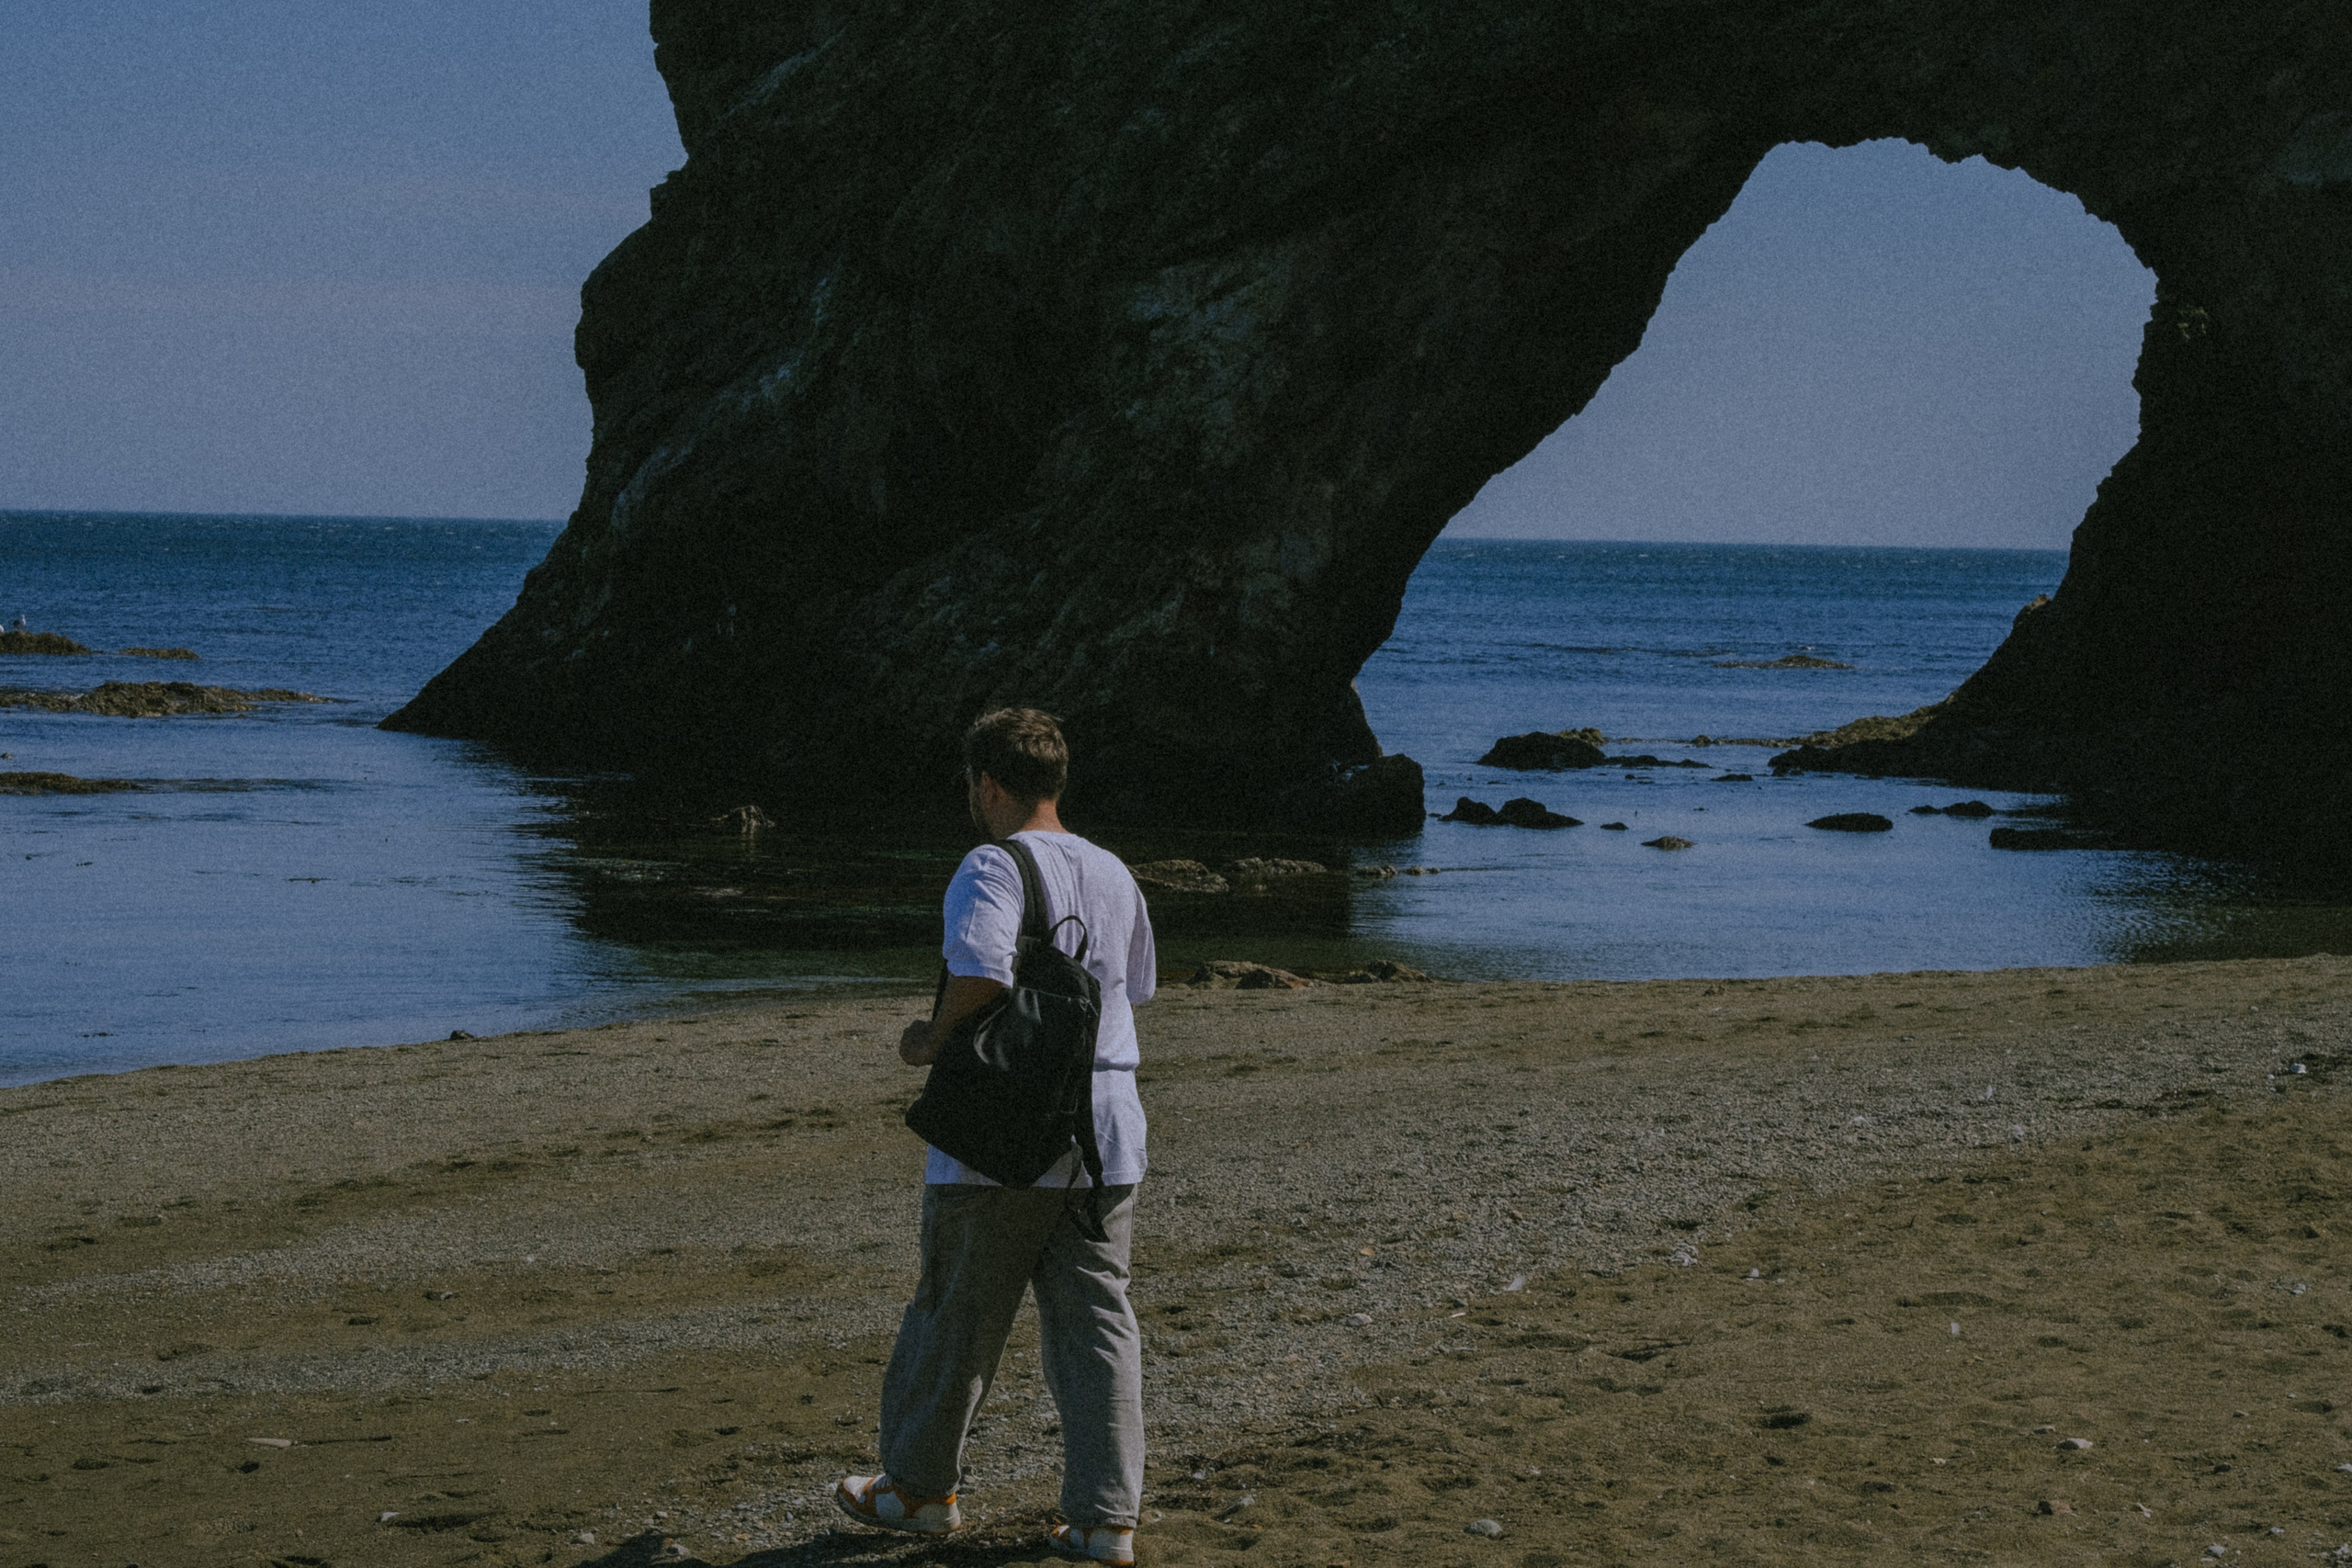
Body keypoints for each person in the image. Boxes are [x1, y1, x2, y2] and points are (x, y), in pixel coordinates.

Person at [834, 707, 1157, 1565]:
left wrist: (928, 1039)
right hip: (1109, 1125)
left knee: (956, 1311)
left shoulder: (992, 862)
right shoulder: (1114, 870)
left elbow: (980, 971)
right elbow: (1134, 988)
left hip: (1007, 1123)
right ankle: (1103, 1518)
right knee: (1096, 1322)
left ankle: (918, 1489)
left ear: (988, 784)